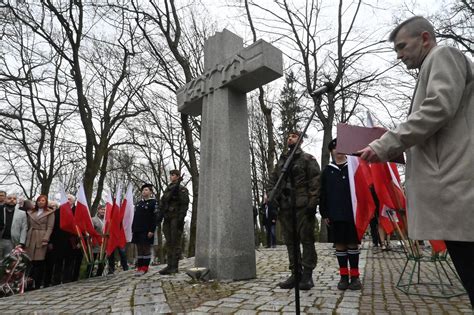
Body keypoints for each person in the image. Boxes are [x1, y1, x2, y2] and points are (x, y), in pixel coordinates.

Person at [359, 16, 474, 307]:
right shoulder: (432, 65)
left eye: (401, 46)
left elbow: (438, 107)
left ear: (424, 38)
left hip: (456, 186)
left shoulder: (443, 55)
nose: (399, 55)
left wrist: (387, 143)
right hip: (453, 186)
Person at [267, 130, 320, 290]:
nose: (290, 138)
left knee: (306, 239)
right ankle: (295, 273)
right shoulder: (281, 162)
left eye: (294, 136)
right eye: (288, 136)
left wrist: (312, 202)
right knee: (291, 242)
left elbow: (315, 181)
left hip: (303, 205)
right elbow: (272, 181)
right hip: (285, 206)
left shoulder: (307, 159)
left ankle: (307, 275)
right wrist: (272, 197)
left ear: (301, 140)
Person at [320, 139, 362, 290]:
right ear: (331, 151)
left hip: (352, 213)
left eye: (341, 147)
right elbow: (322, 194)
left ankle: (355, 277)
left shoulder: (353, 167)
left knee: (352, 243)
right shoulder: (327, 171)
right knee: (340, 245)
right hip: (335, 214)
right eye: (334, 148)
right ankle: (344, 277)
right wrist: (324, 213)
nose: (338, 150)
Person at [159, 170, 189, 275]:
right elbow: (163, 203)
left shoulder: (181, 189)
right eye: (171, 175)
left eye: (173, 175)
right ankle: (169, 265)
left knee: (175, 242)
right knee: (169, 242)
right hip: (167, 218)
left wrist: (181, 218)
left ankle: (174, 266)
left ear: (178, 176)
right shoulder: (168, 189)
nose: (171, 177)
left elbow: (184, 205)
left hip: (176, 218)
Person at [25, 195, 55, 289]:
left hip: (41, 237)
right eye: (39, 200)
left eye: (43, 201)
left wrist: (46, 239)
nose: (40, 202)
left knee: (39, 261)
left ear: (46, 202)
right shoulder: (31, 212)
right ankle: (29, 283)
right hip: (31, 236)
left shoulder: (50, 213)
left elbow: (50, 227)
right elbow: (28, 225)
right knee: (30, 261)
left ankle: (37, 283)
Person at [132, 183, 157, 276]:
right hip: (137, 229)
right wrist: (133, 228)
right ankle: (139, 267)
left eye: (146, 190)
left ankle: (145, 267)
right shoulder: (139, 203)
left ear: (150, 192)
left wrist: (151, 230)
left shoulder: (153, 203)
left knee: (145, 248)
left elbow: (154, 217)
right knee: (139, 249)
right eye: (143, 190)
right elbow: (135, 217)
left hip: (147, 230)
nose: (144, 191)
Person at [88, 204, 106, 277]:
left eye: (104, 210)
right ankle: (89, 274)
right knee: (92, 259)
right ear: (98, 210)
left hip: (104, 242)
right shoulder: (93, 219)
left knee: (102, 260)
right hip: (95, 242)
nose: (103, 211)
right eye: (101, 209)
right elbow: (90, 231)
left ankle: (99, 274)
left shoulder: (107, 219)